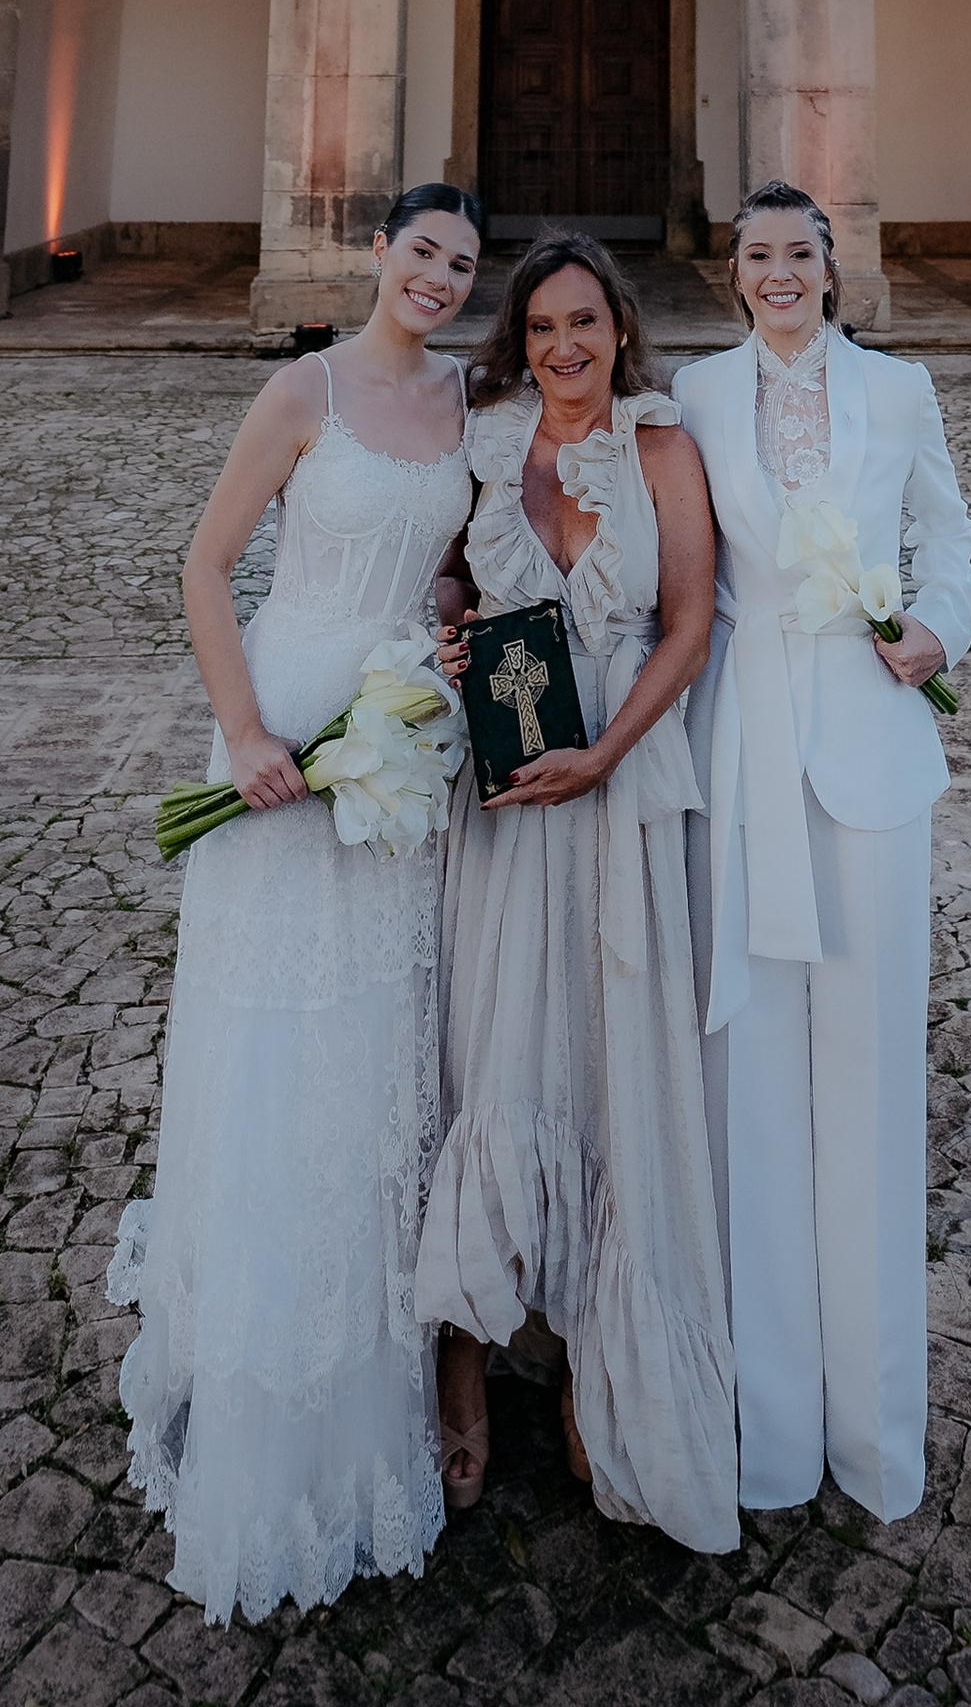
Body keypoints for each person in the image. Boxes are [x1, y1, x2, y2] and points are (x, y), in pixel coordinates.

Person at [109, 185, 484, 1625]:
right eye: (422, 252)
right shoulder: (302, 391)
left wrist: (450, 646)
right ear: (379, 253)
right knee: (278, 1033)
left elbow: (451, 576)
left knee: (383, 1031)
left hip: (396, 734)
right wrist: (247, 731)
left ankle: (377, 1337)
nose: (439, 278)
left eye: (462, 263)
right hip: (283, 730)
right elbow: (206, 566)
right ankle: (263, 1344)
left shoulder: (464, 403)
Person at [418, 232, 738, 1549]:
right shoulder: (490, 443)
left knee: (609, 1060)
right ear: (520, 340)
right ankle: (463, 1357)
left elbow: (690, 626)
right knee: (492, 1051)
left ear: (620, 333)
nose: (565, 347)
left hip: (614, 784)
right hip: (504, 796)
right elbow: (454, 571)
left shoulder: (661, 450)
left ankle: (594, 1361)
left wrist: (604, 755)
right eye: (544, 327)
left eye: (586, 324)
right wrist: (451, 617)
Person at [674, 181, 971, 1523]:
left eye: (800, 251)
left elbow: (950, 535)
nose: (780, 271)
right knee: (748, 1087)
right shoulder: (693, 396)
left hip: (869, 750)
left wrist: (941, 627)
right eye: (758, 254)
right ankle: (769, 1428)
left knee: (870, 1078)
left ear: (831, 267)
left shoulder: (899, 392)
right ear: (734, 274)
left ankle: (875, 1432)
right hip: (740, 748)